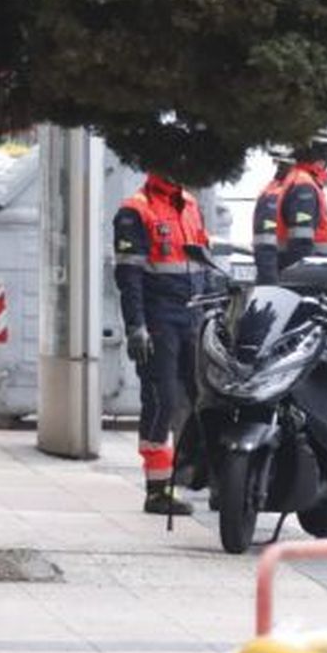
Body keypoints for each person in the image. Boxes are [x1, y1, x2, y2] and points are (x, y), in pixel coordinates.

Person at [113, 171, 210, 515]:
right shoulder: (134, 211)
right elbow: (129, 277)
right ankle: (157, 489)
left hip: (193, 317)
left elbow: (203, 262)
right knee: (162, 399)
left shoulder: (191, 205)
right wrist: (136, 326)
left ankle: (198, 473)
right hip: (159, 321)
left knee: (202, 397)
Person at [274, 124, 327, 270]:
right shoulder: (304, 186)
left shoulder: (301, 180)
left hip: (312, 275)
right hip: (313, 279)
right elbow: (301, 242)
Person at [250, 144, 295, 285]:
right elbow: (265, 244)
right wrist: (271, 285)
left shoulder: (282, 190)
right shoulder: (274, 195)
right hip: (281, 278)